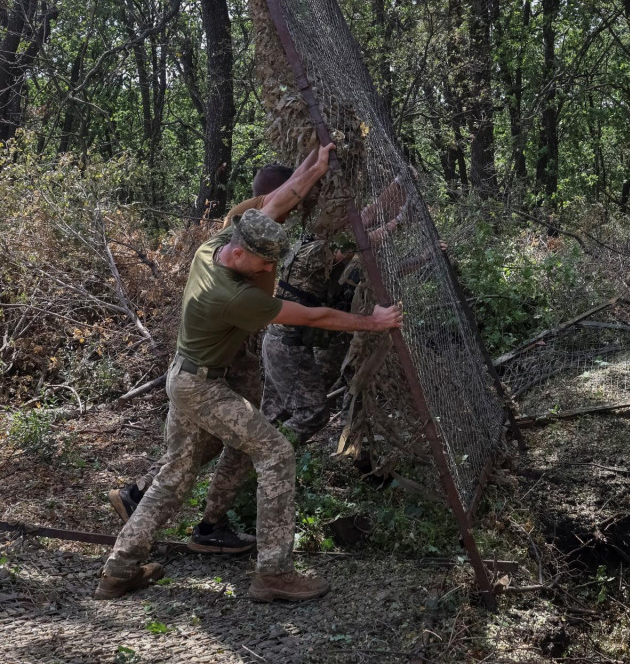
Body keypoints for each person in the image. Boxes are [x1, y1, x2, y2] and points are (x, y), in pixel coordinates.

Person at [95, 144, 403, 602]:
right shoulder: (236, 298)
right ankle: (273, 574)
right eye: (264, 263)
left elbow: (274, 204)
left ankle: (118, 571)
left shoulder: (215, 246)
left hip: (186, 377)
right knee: (276, 454)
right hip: (201, 386)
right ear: (241, 255)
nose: (270, 269)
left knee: (173, 477)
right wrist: (374, 322)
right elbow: (315, 317)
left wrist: (312, 168)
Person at [106, 149, 328, 555]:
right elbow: (290, 307)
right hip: (228, 352)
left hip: (222, 351)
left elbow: (288, 193)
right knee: (228, 441)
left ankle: (152, 507)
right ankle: (187, 518)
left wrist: (316, 160)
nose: (298, 208)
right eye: (294, 199)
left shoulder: (253, 228)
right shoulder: (246, 229)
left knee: (208, 442)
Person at [261, 175, 409, 443]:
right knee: (312, 415)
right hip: (286, 344)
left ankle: (251, 467)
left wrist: (394, 187)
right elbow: (363, 239)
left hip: (281, 340)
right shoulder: (318, 252)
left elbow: (363, 218)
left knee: (274, 415)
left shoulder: (310, 242)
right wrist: (398, 221)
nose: (348, 224)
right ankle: (268, 458)